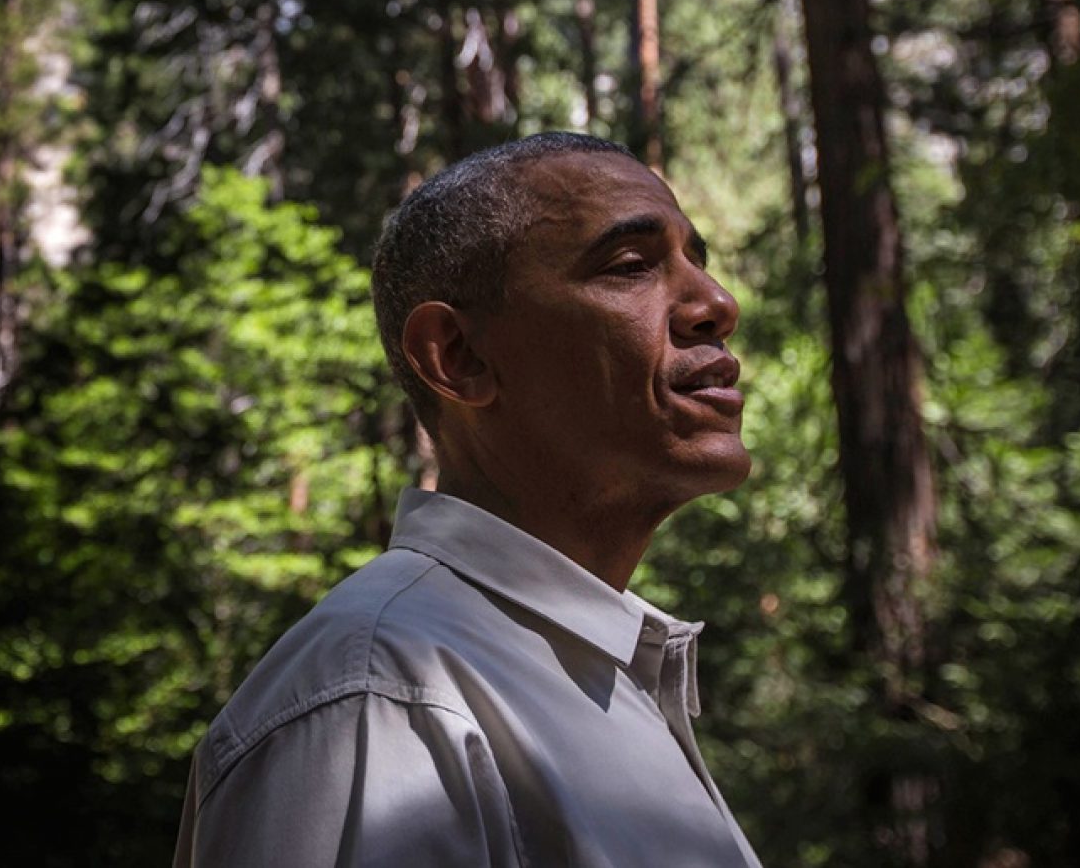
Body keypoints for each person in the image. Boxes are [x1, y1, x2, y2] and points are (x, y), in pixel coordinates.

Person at [172, 132, 763, 867]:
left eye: (696, 260)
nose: (716, 302)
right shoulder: (381, 700)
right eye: (631, 265)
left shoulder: (593, 675)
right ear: (458, 356)